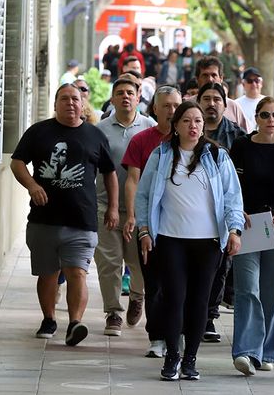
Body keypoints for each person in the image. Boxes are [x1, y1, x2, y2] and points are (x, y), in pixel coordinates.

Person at [135, 100, 245, 381]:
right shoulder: (161, 155)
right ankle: (172, 356)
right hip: (170, 239)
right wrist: (145, 230)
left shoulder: (217, 156)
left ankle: (190, 360)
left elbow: (233, 196)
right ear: (176, 125)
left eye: (197, 121)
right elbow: (144, 195)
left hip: (207, 242)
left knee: (199, 301)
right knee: (174, 299)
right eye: (186, 121)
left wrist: (234, 230)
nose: (193, 126)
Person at [10, 84, 118, 346]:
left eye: (75, 99)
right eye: (64, 99)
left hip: (81, 219)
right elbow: (17, 162)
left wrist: (113, 207)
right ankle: (49, 318)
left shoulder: (94, 136)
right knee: (48, 273)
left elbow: (109, 173)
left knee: (77, 272)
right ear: (55, 104)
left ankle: (75, 323)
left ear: (83, 105)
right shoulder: (39, 132)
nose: (70, 103)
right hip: (43, 219)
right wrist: (33, 186)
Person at [230, 97, 274, 375]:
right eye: (265, 115)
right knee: (248, 288)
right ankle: (246, 351)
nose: (271, 120)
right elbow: (231, 185)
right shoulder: (241, 146)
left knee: (273, 291)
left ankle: (270, 350)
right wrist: (238, 213)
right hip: (248, 225)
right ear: (256, 118)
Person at [122, 85, 182, 358]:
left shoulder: (193, 140)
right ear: (154, 109)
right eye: (166, 106)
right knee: (154, 283)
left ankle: (178, 332)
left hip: (184, 227)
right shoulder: (143, 140)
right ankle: (157, 337)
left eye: (175, 105)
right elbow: (133, 180)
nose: (171, 111)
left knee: (181, 285)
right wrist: (135, 217)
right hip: (152, 224)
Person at [93, 78, 155, 337]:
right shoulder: (101, 129)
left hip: (139, 209)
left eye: (130, 92)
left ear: (139, 96)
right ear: (113, 98)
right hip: (105, 206)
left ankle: (138, 296)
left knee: (139, 261)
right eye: (120, 93)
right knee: (108, 261)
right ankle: (113, 312)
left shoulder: (150, 127)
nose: (126, 97)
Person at [197, 81, 246, 342]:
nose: (211, 103)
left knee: (220, 268)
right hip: (193, 211)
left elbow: (240, 180)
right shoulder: (189, 130)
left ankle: (208, 318)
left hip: (223, 214)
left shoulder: (237, 136)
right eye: (206, 98)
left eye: (217, 99)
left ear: (225, 105)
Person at [195, 55, 250, 131]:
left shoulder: (233, 107)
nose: (210, 79)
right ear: (197, 79)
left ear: (221, 78)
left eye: (214, 75)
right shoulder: (188, 105)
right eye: (205, 75)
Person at [235, 67, 265, 132]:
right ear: (243, 84)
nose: (254, 84)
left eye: (256, 81)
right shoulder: (236, 104)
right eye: (250, 81)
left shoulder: (268, 102)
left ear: (261, 83)